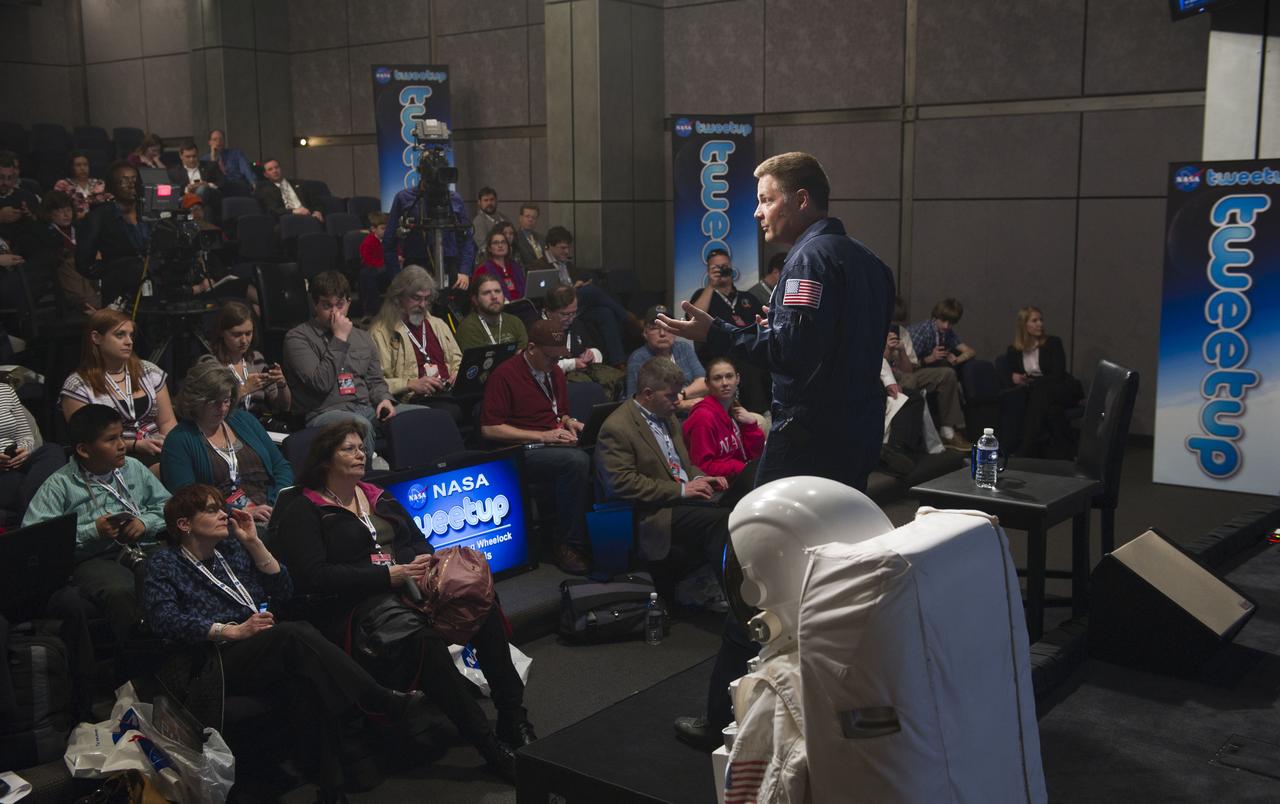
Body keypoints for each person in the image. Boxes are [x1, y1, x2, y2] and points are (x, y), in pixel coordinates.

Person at [657, 151, 895, 747]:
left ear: (802, 200)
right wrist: (773, 329)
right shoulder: (869, 262)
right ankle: (814, 707)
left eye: (766, 198)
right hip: (857, 433)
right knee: (829, 574)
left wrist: (723, 335)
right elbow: (832, 344)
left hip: (808, 440)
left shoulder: (809, 257)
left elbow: (794, 355)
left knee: (753, 570)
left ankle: (723, 717)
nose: (757, 211)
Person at [269, 422, 534, 782]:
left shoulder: (376, 495)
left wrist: (421, 562)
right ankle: (489, 746)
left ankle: (512, 715)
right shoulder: (303, 507)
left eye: (362, 447)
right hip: (352, 609)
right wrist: (386, 575)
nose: (360, 453)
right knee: (422, 643)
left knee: (480, 603)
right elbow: (314, 576)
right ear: (325, 459)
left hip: (406, 590)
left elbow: (419, 541)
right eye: (349, 448)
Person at [143, 483, 425, 798]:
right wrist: (228, 630)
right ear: (184, 525)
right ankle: (377, 698)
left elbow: (284, 591)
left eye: (221, 507)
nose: (224, 514)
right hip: (211, 661)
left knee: (311, 678)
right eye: (211, 510)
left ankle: (332, 790)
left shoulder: (233, 549)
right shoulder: (164, 563)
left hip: (257, 644)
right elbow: (163, 620)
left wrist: (254, 544)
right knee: (294, 632)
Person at [23, 404, 171, 646]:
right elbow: (38, 542)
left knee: (174, 563)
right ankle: (141, 656)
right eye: (111, 439)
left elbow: (169, 507)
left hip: (142, 545)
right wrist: (92, 531)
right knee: (119, 589)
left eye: (122, 436)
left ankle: (186, 639)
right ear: (83, 449)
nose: (122, 445)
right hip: (92, 559)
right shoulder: (59, 485)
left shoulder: (133, 468)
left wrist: (145, 522)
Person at [595, 357, 730, 602]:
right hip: (654, 510)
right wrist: (681, 490)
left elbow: (683, 464)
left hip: (679, 497)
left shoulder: (667, 415)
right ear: (648, 394)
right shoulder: (617, 428)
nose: (678, 400)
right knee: (721, 520)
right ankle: (733, 597)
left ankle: (722, 584)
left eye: (679, 394)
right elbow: (621, 483)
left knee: (740, 495)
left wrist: (702, 477)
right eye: (671, 395)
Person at [479, 320, 591, 574]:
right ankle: (567, 543)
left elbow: (559, 412)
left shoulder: (555, 373)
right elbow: (490, 429)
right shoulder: (505, 375)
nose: (555, 363)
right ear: (531, 348)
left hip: (551, 441)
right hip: (519, 451)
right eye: (550, 357)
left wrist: (570, 422)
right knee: (575, 462)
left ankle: (591, 533)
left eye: (559, 358)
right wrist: (543, 436)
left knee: (596, 449)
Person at [282, 271, 401, 462]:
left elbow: (375, 380)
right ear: (315, 305)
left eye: (340, 305)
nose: (335, 313)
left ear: (349, 303)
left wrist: (384, 399)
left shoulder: (362, 337)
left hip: (365, 407)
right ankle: (367, 484)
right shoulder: (298, 338)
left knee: (416, 416)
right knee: (358, 426)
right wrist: (339, 339)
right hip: (323, 413)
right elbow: (320, 382)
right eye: (327, 306)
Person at [159, 361, 293, 525]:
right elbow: (188, 499)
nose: (222, 408)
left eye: (227, 400)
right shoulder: (179, 440)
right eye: (214, 402)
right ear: (195, 400)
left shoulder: (244, 420)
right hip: (224, 520)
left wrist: (276, 501)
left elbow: (280, 466)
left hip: (269, 507)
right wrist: (238, 511)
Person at [61, 309, 176, 467]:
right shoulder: (78, 385)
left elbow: (167, 421)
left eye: (131, 335)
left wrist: (170, 445)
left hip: (158, 448)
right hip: (112, 458)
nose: (129, 341)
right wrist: (135, 445)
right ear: (96, 338)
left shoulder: (149, 371)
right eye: (120, 335)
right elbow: (89, 439)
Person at [368, 265, 464, 421]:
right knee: (451, 412)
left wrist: (457, 372)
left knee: (483, 404)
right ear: (398, 298)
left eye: (426, 299)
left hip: (447, 391)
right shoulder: (380, 332)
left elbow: (457, 360)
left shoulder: (438, 324)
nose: (423, 305)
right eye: (416, 298)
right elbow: (375, 382)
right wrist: (410, 384)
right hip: (414, 398)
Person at [537, 225, 637, 365]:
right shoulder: (539, 266)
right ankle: (628, 318)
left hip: (575, 308)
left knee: (605, 312)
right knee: (591, 290)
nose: (566, 251)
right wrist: (573, 288)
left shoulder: (567, 265)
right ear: (550, 247)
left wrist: (579, 284)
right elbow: (551, 295)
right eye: (562, 248)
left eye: (568, 247)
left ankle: (618, 361)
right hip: (559, 306)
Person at [885, 297, 969, 451]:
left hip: (907, 372)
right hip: (883, 377)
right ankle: (901, 442)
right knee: (908, 382)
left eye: (898, 323)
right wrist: (888, 350)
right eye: (892, 322)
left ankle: (947, 431)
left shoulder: (903, 333)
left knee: (947, 374)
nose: (894, 326)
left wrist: (902, 351)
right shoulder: (920, 331)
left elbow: (909, 369)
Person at [689, 248, 768, 411]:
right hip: (718, 361)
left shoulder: (748, 297)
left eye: (725, 265)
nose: (722, 269)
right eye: (716, 267)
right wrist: (711, 286)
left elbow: (764, 327)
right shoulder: (703, 295)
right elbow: (692, 319)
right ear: (708, 271)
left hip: (750, 363)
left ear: (731, 267)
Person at [382, 153, 475, 286]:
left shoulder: (454, 199)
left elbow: (466, 238)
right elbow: (389, 241)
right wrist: (396, 276)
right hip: (416, 265)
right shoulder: (404, 198)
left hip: (450, 264)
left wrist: (464, 270)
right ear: (422, 175)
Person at [1004, 306, 1083, 459]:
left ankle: (1024, 449)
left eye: (1041, 320)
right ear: (1024, 325)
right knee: (1053, 412)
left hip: (1063, 388)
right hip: (1040, 395)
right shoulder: (1013, 350)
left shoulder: (1053, 343)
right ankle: (1068, 453)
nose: (1040, 324)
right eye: (1034, 321)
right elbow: (1006, 372)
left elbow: (1057, 374)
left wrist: (1034, 382)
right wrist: (1014, 377)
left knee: (1041, 390)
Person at [682, 356, 765, 488]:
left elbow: (754, 456)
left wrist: (751, 426)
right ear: (707, 383)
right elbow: (701, 467)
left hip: (738, 479)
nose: (725, 383)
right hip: (717, 487)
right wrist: (740, 468)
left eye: (729, 376)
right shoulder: (703, 417)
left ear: (737, 379)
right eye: (717, 378)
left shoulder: (733, 411)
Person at [74, 161, 148, 307]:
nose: (131, 184)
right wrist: (110, 270)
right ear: (112, 186)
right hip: (119, 290)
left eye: (134, 179)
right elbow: (83, 262)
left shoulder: (148, 212)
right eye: (124, 180)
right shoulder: (99, 216)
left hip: (152, 287)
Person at [203, 300, 291, 417]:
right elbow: (209, 410)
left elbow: (284, 406)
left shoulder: (256, 359)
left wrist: (282, 385)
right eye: (237, 335)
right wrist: (244, 389)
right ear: (221, 333)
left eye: (248, 333)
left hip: (257, 425)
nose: (244, 341)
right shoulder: (212, 365)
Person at [541, 284, 625, 398]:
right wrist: (572, 364)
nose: (570, 319)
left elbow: (595, 349)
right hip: (550, 384)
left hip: (582, 376)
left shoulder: (576, 323)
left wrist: (592, 355)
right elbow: (539, 367)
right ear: (548, 311)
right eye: (565, 314)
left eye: (573, 313)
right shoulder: (537, 330)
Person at [0, 382, 65, 522]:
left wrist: (24, 451)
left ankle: (31, 518)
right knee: (40, 485)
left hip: (18, 460)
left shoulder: (5, 390)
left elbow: (25, 435)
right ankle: (36, 519)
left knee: (52, 451)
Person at [625, 305, 707, 409]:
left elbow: (703, 382)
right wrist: (681, 404)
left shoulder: (683, 348)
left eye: (667, 327)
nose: (662, 333)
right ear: (645, 333)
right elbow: (635, 401)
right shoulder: (638, 358)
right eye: (655, 328)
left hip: (691, 411)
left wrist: (681, 394)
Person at [36, 190, 101, 312]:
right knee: (71, 262)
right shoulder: (43, 232)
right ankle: (91, 304)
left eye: (68, 210)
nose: (66, 215)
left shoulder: (79, 227)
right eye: (60, 211)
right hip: (62, 270)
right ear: (49, 213)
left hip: (87, 267)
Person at [454, 273, 529, 352]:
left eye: (497, 291)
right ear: (475, 300)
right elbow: (480, 362)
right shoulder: (468, 328)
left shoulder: (515, 322)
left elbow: (522, 358)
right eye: (486, 293)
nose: (494, 297)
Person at [906, 298, 976, 373]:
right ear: (936, 317)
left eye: (951, 323)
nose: (946, 326)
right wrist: (931, 358)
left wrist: (956, 360)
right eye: (943, 320)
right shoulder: (921, 332)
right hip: (910, 370)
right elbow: (906, 366)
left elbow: (970, 351)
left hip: (929, 367)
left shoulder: (947, 332)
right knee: (948, 372)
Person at [167, 140, 224, 222]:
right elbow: (173, 191)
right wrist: (187, 189)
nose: (191, 160)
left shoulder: (210, 166)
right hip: (191, 200)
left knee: (202, 189)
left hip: (210, 195)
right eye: (188, 157)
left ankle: (194, 207)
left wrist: (208, 184)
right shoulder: (174, 172)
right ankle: (197, 208)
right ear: (181, 156)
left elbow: (223, 182)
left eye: (194, 156)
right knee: (207, 209)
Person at [255, 157, 322, 221]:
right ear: (266, 175)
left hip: (309, 216)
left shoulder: (300, 183)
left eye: (277, 167)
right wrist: (293, 211)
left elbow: (316, 201)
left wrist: (317, 211)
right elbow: (273, 210)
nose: (275, 171)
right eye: (270, 169)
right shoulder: (265, 191)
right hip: (288, 220)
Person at [473, 225, 526, 300]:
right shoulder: (482, 270)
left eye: (503, 242)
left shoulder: (516, 267)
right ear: (489, 248)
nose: (500, 245)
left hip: (522, 305)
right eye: (495, 243)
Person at [53, 151, 111, 220]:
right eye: (78, 165)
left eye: (85, 165)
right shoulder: (63, 185)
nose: (82, 168)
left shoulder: (99, 184)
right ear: (71, 167)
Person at [358, 211, 389, 313]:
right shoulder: (368, 241)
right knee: (367, 276)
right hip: (373, 267)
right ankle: (371, 310)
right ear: (373, 229)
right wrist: (382, 264)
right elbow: (367, 259)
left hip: (385, 266)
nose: (386, 231)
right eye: (383, 228)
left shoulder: (388, 239)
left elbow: (396, 250)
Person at [471, 186, 510, 252]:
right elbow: (483, 247)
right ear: (479, 203)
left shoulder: (504, 218)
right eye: (486, 200)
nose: (489, 203)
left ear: (496, 201)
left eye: (492, 200)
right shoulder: (478, 222)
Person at [512, 203, 543, 269]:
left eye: (534, 217)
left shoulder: (542, 238)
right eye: (527, 216)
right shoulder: (514, 238)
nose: (530, 220)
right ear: (520, 218)